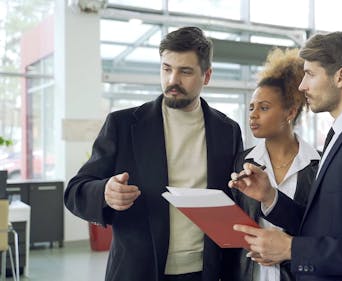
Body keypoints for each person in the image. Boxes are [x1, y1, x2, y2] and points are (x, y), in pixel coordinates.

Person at [64, 26, 243, 281]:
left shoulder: (228, 130)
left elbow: (233, 199)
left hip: (205, 272)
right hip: (138, 271)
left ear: (207, 75)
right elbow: (75, 191)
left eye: (185, 71)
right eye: (166, 68)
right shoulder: (123, 124)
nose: (172, 80)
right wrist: (105, 192)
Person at [229, 31, 342, 281]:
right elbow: (323, 224)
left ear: (341, 77)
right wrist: (270, 197)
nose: (302, 86)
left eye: (310, 74)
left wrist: (290, 249)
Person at [229, 48, 320, 281]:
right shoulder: (243, 161)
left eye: (264, 107)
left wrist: (287, 252)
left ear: (290, 111)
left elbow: (322, 231)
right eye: (251, 107)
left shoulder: (319, 165)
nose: (253, 115)